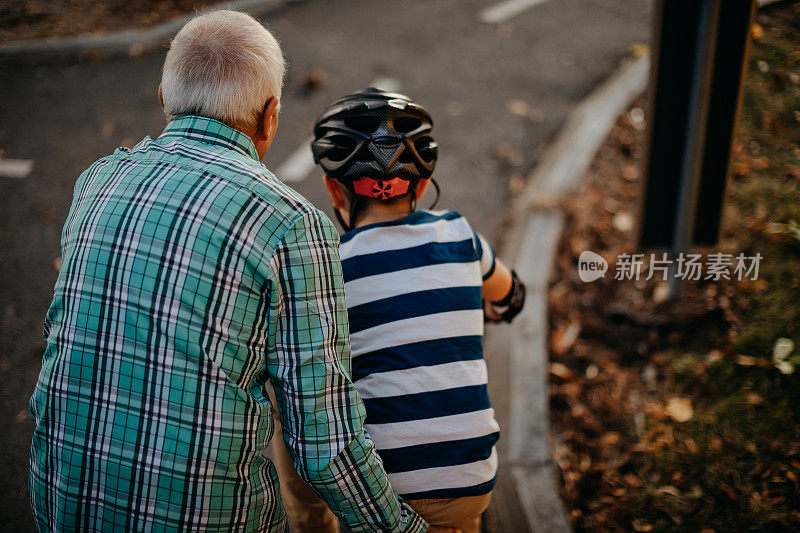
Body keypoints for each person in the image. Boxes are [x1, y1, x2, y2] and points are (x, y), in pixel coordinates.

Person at [28, 12, 430, 532]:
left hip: (62, 503)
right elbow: (325, 441)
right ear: (270, 117)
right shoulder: (290, 225)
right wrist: (402, 528)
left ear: (163, 98)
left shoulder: (96, 183)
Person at [306, 88, 527, 533]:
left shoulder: (329, 267)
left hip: (387, 492)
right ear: (423, 186)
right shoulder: (461, 235)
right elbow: (512, 298)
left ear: (334, 188)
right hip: (473, 478)